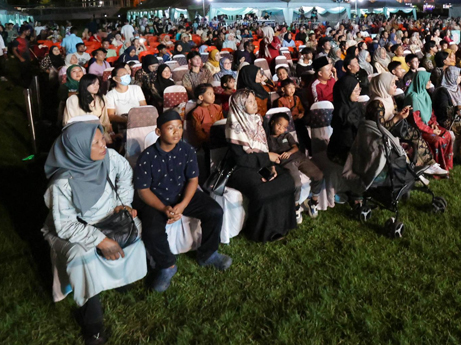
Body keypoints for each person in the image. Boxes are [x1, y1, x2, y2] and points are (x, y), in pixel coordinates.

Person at [42, 123, 147, 345]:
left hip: (106, 218)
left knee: (133, 227)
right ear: (78, 149)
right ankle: (93, 324)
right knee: (82, 256)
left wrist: (124, 203)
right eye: (96, 142)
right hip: (73, 229)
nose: (104, 144)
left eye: (102, 138)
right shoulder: (62, 183)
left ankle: (120, 279)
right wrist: (101, 240)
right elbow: (66, 226)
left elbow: (125, 172)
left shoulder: (108, 157)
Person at [134, 110, 230, 292]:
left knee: (214, 211)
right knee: (152, 231)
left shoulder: (187, 150)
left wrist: (183, 204)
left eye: (179, 127)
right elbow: (143, 190)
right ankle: (167, 265)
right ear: (158, 131)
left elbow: (193, 180)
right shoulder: (147, 157)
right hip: (157, 199)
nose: (176, 132)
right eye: (170, 128)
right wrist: (164, 208)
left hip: (182, 194)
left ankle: (208, 254)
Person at [224, 90, 297, 241]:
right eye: (250, 102)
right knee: (263, 190)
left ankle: (283, 225)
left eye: (254, 100)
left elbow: (264, 147)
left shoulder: (257, 120)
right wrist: (267, 158)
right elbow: (241, 159)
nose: (255, 104)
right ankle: (262, 232)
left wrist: (270, 165)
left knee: (286, 181)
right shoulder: (234, 126)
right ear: (240, 106)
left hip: (261, 162)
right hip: (240, 169)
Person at [268, 113, 324, 220]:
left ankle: (313, 202)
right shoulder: (268, 139)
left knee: (319, 175)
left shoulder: (287, 136)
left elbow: (295, 147)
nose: (281, 128)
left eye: (284, 127)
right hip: (286, 163)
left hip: (299, 157)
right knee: (297, 184)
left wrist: (289, 152)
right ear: (272, 123)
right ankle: (296, 207)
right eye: (279, 125)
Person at [406, 69, 454, 172]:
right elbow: (416, 122)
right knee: (438, 140)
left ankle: (446, 165)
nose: (430, 82)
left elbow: (431, 113)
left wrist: (433, 124)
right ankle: (435, 167)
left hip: (427, 125)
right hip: (416, 129)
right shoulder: (413, 98)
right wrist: (431, 130)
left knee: (447, 134)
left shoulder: (425, 94)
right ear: (421, 81)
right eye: (428, 80)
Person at [327, 75, 365, 164]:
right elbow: (348, 141)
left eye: (359, 89)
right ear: (346, 92)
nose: (359, 93)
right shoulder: (342, 112)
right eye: (355, 91)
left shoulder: (355, 106)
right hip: (343, 153)